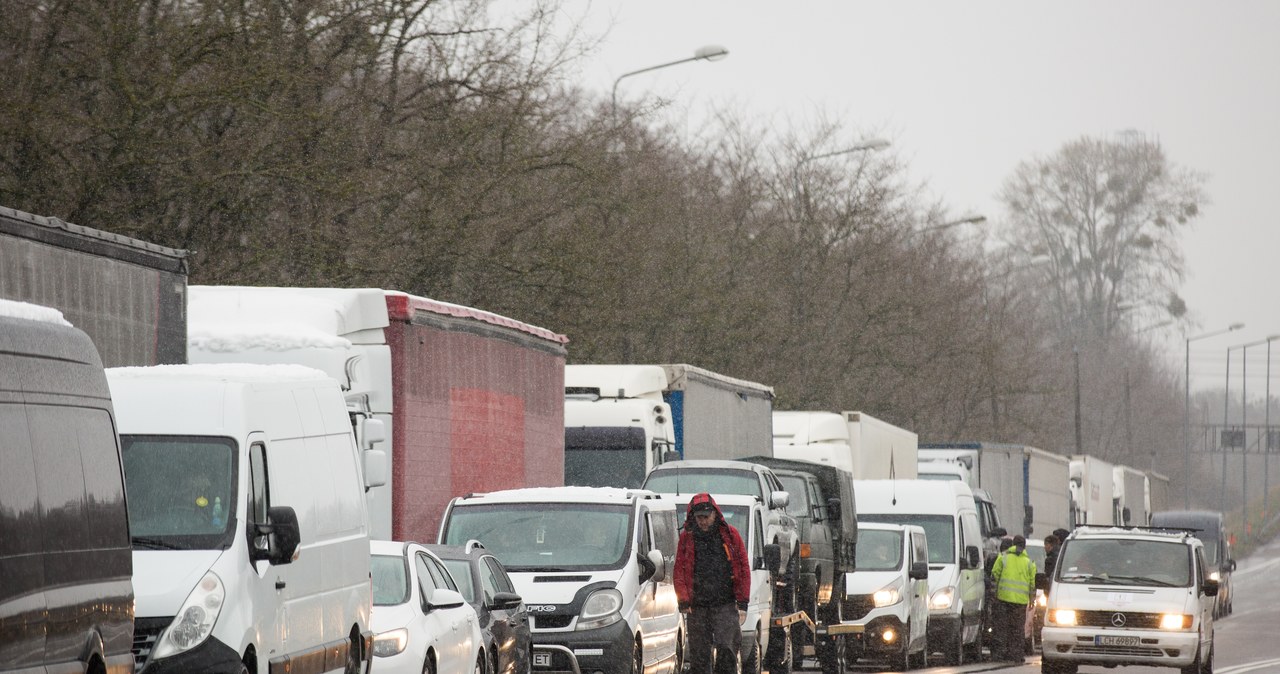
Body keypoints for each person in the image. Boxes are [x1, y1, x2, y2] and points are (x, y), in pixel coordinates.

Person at [674, 493, 751, 674]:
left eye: (706, 517)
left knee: (727, 649)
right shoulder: (687, 539)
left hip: (725, 604)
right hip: (697, 607)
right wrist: (683, 600)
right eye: (699, 517)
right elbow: (679, 570)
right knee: (699, 656)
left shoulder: (731, 536)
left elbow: (743, 567)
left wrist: (743, 601)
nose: (703, 522)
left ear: (715, 514)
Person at [990, 535, 1036, 662]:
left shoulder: (1003, 558)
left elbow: (994, 577)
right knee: (1017, 630)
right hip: (1020, 603)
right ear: (1024, 546)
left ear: (1013, 545)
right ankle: (1016, 655)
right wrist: (1032, 600)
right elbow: (1032, 584)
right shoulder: (1029, 563)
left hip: (1003, 600)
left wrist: (993, 596)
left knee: (1001, 628)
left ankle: (999, 655)